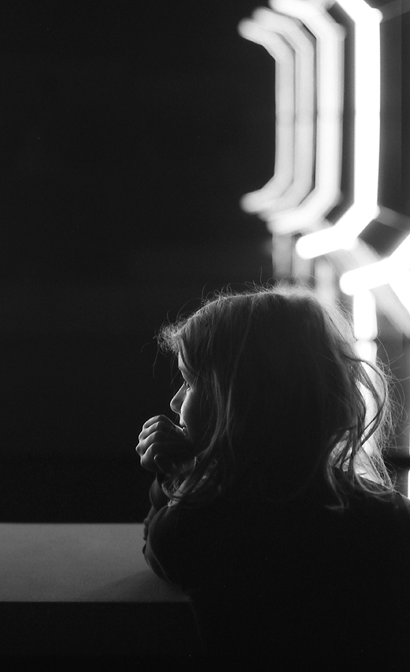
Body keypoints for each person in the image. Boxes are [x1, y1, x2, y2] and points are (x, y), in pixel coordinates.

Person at [136, 285, 410, 666]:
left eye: (190, 380)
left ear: (239, 399)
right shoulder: (390, 514)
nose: (175, 401)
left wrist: (183, 475)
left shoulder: (205, 523)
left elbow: (157, 542)